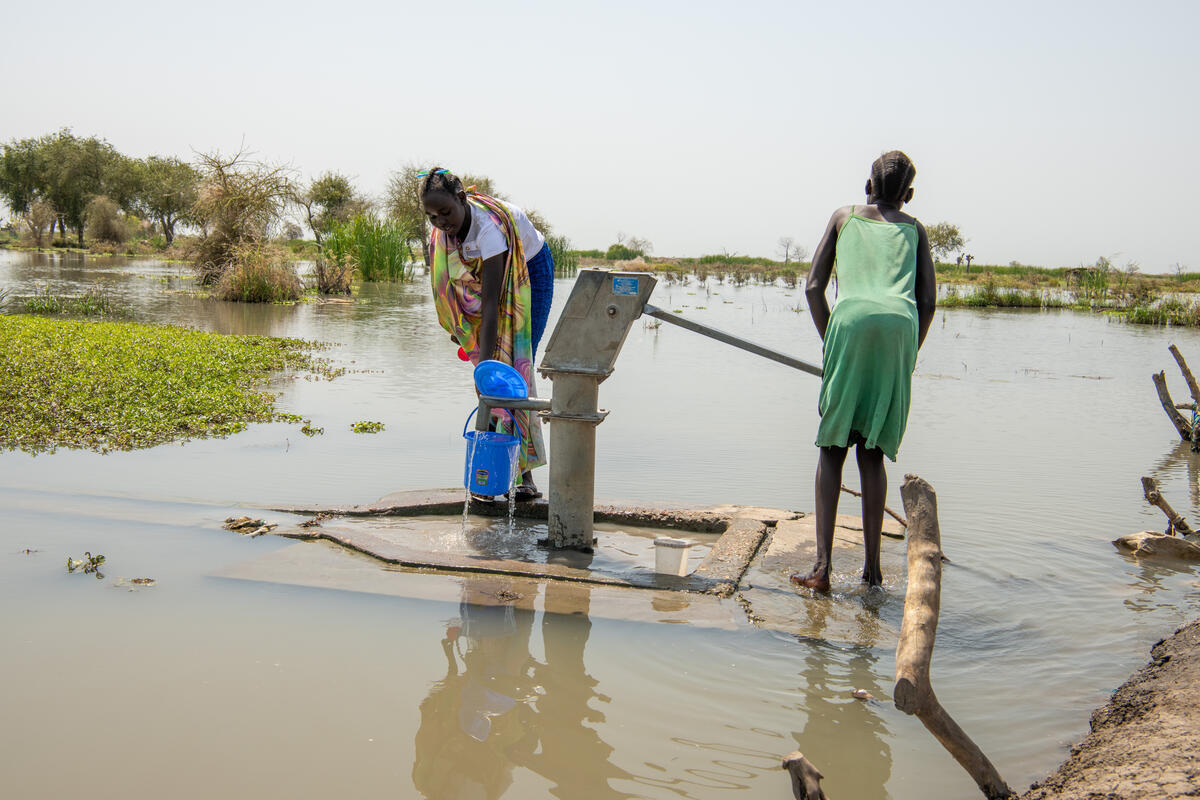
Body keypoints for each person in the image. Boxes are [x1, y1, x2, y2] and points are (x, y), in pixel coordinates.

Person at [792, 150, 936, 592]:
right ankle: (872, 574)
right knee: (871, 453)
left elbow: (814, 286)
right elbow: (927, 301)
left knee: (833, 447)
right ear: (909, 195)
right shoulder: (916, 230)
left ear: (867, 186)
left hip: (850, 323)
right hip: (899, 329)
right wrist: (907, 353)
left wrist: (832, 340)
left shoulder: (844, 216)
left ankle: (821, 569)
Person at [421, 167, 554, 500]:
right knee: (493, 373)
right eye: (432, 216)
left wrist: (488, 365)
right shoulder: (441, 233)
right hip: (489, 281)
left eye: (446, 212)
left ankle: (524, 478)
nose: (440, 222)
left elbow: (493, 304)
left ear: (462, 199)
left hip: (529, 271)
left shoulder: (488, 231)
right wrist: (463, 330)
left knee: (513, 370)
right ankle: (492, 476)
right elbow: (446, 286)